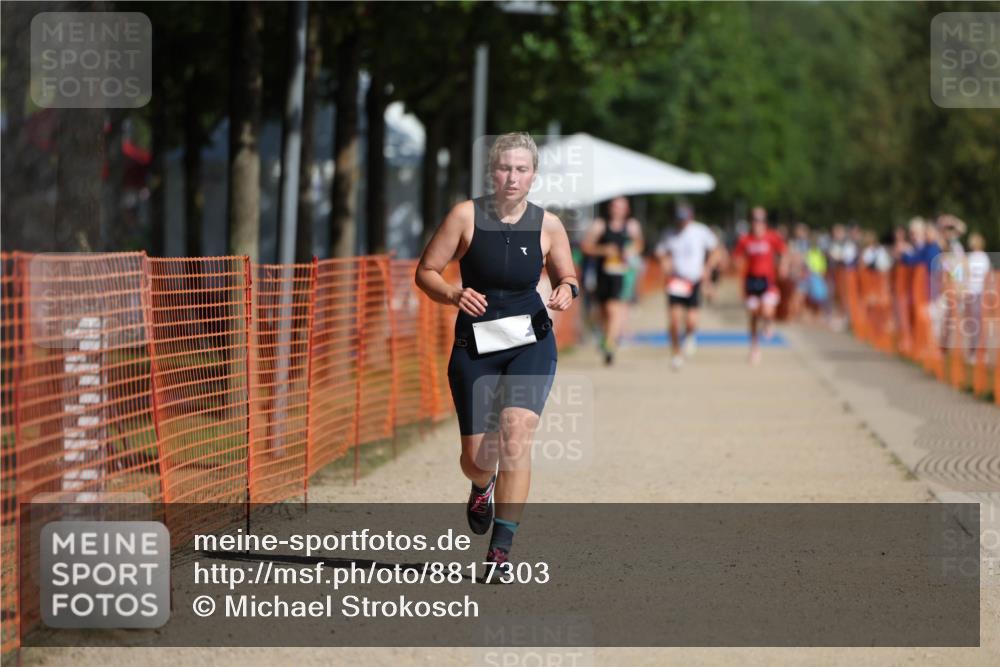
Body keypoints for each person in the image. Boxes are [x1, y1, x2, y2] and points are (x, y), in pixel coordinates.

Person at [414, 132, 577, 571]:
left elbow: (568, 275)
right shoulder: (465, 216)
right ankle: (481, 485)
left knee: (515, 433)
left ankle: (501, 550)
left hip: (530, 342)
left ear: (533, 175)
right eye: (505, 168)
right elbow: (426, 272)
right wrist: (453, 294)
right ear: (492, 171)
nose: (512, 177)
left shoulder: (548, 224)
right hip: (477, 344)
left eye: (521, 169)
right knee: (477, 460)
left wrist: (566, 289)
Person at [654, 203, 720, 370]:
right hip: (676, 281)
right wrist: (664, 262)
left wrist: (707, 268)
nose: (682, 222)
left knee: (691, 321)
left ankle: (690, 335)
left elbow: (716, 250)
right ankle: (676, 353)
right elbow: (660, 252)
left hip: (694, 280)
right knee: (674, 320)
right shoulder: (669, 233)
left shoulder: (700, 231)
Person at [580, 197, 644, 365]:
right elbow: (586, 246)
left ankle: (610, 345)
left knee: (614, 309)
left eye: (622, 207)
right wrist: (603, 250)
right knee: (602, 311)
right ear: (609, 208)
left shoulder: (631, 226)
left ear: (627, 209)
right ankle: (605, 337)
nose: (618, 210)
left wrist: (630, 250)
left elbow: (639, 245)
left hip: (622, 274)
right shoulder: (600, 225)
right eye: (615, 206)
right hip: (601, 274)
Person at [732, 206, 788, 365]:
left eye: (761, 220)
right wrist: (736, 264)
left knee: (767, 310)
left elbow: (783, 251)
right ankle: (754, 347)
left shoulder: (772, 237)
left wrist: (783, 265)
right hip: (751, 281)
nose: (758, 223)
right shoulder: (745, 240)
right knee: (753, 315)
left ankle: (769, 322)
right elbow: (736, 256)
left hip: (767, 281)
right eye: (755, 220)